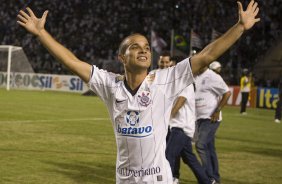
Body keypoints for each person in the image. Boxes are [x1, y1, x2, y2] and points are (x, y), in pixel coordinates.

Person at [17, 1, 260, 183]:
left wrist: (240, 27)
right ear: (122, 57)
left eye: (146, 47)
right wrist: (41, 33)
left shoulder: (166, 79)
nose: (143, 50)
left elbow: (207, 55)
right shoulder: (109, 84)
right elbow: (72, 61)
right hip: (124, 179)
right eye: (135, 47)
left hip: (157, 180)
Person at [166, 83, 212, 184]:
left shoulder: (186, 84)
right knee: (189, 158)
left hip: (181, 127)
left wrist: (168, 116)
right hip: (181, 127)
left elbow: (181, 100)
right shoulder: (180, 84)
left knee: (169, 156)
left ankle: (167, 180)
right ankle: (206, 181)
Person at [194, 65, 231, 184]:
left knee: (200, 145)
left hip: (210, 118)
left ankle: (208, 178)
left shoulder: (213, 77)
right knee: (209, 149)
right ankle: (215, 178)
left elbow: (227, 93)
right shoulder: (194, 76)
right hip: (199, 118)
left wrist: (217, 110)